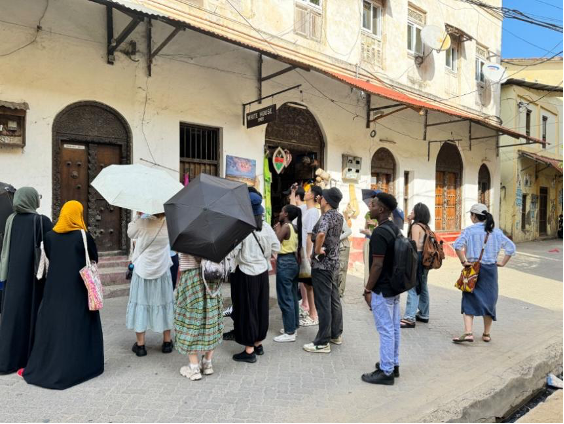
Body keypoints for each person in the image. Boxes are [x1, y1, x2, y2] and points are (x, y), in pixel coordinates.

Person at [22, 201, 104, 389]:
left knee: (56, 325)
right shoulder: (83, 236)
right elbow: (94, 258)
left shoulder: (49, 236)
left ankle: (50, 365)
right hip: (78, 289)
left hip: (54, 289)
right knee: (77, 325)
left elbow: (50, 258)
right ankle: (81, 366)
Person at [0, 188, 52, 375]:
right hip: (34, 278)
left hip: (13, 277)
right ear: (31, 200)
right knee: (32, 314)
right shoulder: (42, 221)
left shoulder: (11, 220)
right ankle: (30, 357)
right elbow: (52, 247)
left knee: (13, 317)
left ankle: (8, 359)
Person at [452, 204, 516, 344]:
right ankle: (486, 334)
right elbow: (511, 248)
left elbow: (457, 245)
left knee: (469, 298)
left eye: (471, 215)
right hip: (490, 270)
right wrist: (502, 263)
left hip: (472, 268)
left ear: (474, 216)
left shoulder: (469, 231)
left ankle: (468, 333)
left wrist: (464, 261)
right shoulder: (496, 232)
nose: (471, 217)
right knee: (489, 300)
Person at [230, 192, 280, 363]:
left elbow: (233, 252)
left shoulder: (241, 228)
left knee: (247, 310)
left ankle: (249, 350)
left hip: (246, 273)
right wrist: (265, 255)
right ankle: (258, 344)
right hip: (262, 273)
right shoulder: (266, 227)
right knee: (260, 308)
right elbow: (276, 247)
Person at [362, 192, 402, 386]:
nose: (370, 206)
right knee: (393, 328)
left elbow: (377, 265)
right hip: (393, 287)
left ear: (382, 209)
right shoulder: (394, 229)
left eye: (374, 204)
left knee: (385, 329)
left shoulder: (379, 233)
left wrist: (368, 289)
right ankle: (393, 364)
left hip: (382, 289)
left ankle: (386, 372)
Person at [126, 212, 174, 357]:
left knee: (141, 303)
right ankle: (167, 342)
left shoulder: (142, 222)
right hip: (162, 269)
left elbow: (130, 233)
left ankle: (140, 345)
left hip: (143, 270)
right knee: (165, 303)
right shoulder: (169, 224)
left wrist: (137, 216)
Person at [303, 188, 344, 354]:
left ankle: (322, 342)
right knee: (334, 299)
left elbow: (320, 234)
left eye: (322, 197)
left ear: (326, 200)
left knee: (323, 303)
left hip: (322, 265)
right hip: (334, 263)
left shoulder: (327, 216)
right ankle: (336, 334)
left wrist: (317, 249)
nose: (320, 199)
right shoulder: (338, 216)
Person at [175, 252, 224, 381]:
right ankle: (207, 363)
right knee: (211, 318)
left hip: (191, 277)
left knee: (189, 319)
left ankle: (194, 367)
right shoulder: (215, 239)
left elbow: (179, 251)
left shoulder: (185, 238)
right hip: (211, 274)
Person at [274, 205, 302, 343]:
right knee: (292, 296)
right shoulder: (295, 227)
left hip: (285, 262)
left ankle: (289, 332)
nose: (279, 213)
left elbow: (275, 243)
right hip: (293, 262)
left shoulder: (285, 227)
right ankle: (293, 326)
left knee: (285, 298)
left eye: (281, 211)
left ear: (285, 214)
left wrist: (276, 230)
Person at [401, 203, 432, 328]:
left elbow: (413, 244)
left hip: (416, 257)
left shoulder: (416, 226)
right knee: (423, 286)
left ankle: (409, 317)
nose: (410, 213)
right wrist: (409, 223)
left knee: (412, 286)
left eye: (413, 211)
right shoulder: (425, 226)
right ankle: (424, 314)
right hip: (425, 259)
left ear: (418, 213)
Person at [299, 185, 323, 328]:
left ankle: (313, 315)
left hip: (307, 253)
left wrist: (308, 255)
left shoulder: (313, 212)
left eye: (308, 191)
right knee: (306, 284)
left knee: (309, 285)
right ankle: (310, 312)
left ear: (313, 196)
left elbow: (310, 235)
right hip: (303, 251)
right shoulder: (307, 210)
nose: (306, 193)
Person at [338, 217, 352, 298]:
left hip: (343, 247)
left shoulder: (340, 218)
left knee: (341, 270)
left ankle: (340, 292)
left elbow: (348, 231)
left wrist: (337, 239)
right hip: (337, 247)